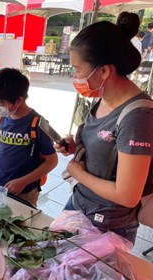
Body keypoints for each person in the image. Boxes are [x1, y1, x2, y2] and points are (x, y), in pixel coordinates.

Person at [55, 12, 153, 244]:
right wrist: (77, 147)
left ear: (104, 71)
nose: (75, 76)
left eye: (77, 69)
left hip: (107, 224)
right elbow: (107, 147)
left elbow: (127, 195)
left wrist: (78, 173)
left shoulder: (138, 117)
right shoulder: (103, 99)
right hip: (80, 204)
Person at [0, 68, 58, 207]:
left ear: (19, 100)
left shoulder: (38, 124)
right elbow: (3, 145)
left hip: (23, 191)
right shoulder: (2, 119)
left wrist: (23, 181)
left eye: (1, 103)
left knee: (19, 224)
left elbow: (52, 161)